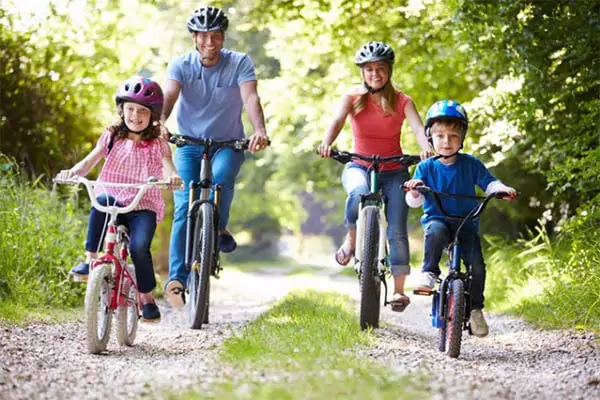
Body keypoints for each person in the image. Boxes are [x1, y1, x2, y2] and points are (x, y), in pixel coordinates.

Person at [161, 5, 269, 308]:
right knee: (184, 204)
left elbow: (250, 97)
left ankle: (217, 226)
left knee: (221, 180)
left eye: (216, 37)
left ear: (223, 38)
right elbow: (169, 95)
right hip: (189, 143)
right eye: (204, 37)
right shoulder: (180, 65)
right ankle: (177, 279)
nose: (210, 43)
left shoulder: (239, 63)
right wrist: (160, 123)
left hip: (228, 142)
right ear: (194, 37)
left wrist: (259, 130)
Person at [317, 41, 433, 312]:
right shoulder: (353, 97)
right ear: (362, 72)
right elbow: (336, 121)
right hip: (359, 165)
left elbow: (418, 127)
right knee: (357, 192)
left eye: (380, 68)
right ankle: (352, 237)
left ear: (389, 70)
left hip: (394, 171)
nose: (375, 74)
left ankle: (399, 291)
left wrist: (426, 145)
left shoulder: (403, 100)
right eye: (369, 69)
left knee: (396, 230)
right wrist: (326, 142)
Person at [55, 76, 182, 322]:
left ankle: (146, 297)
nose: (135, 115)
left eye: (142, 111)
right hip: (113, 197)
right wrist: (72, 172)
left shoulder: (158, 142)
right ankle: (91, 261)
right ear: (121, 109)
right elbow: (89, 161)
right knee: (100, 202)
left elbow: (169, 167)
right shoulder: (112, 135)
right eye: (130, 109)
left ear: (152, 115)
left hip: (142, 204)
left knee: (138, 248)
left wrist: (174, 177)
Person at [404, 99, 517, 337]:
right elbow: (415, 200)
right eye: (441, 136)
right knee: (434, 232)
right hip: (439, 219)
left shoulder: (471, 164)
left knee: (477, 265)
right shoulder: (426, 167)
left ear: (462, 137)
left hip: (466, 222)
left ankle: (476, 309)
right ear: (430, 137)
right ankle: (429, 272)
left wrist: (500, 189)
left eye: (454, 136)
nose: (447, 142)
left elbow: (489, 182)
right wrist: (415, 189)